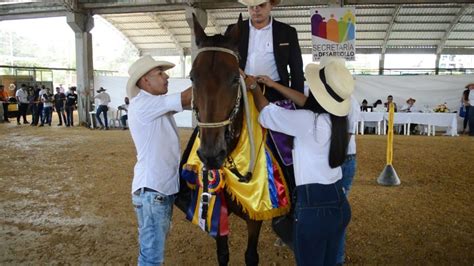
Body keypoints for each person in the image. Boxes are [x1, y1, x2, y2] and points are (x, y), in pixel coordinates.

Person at [247, 56, 352, 265]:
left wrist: (253, 88)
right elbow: (308, 103)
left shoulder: (308, 122)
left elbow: (267, 112)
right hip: (338, 203)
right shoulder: (336, 119)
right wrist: (273, 84)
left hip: (313, 209)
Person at [227, 0, 305, 246]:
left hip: (275, 96)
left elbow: (297, 70)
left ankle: (290, 206)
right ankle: (200, 192)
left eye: (260, 5)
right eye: (250, 7)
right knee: (209, 133)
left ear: (271, 5)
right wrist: (243, 79)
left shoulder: (287, 32)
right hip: (240, 93)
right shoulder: (234, 30)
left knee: (286, 151)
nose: (255, 11)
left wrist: (296, 105)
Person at [126, 55, 192, 265]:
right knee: (151, 258)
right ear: (145, 80)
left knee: (151, 252)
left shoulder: (155, 104)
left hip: (157, 191)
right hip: (153, 192)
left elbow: (191, 101)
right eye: (160, 73)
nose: (166, 76)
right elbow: (185, 97)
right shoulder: (143, 104)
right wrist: (207, 75)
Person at [337, 94, 360, 265]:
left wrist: (333, 161)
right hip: (340, 158)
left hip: (341, 158)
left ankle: (337, 258)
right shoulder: (350, 100)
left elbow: (348, 133)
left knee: (337, 212)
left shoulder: (350, 101)